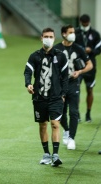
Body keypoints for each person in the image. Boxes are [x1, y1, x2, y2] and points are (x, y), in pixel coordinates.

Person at [24, 28, 68, 167]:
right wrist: (28, 84)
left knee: (55, 124)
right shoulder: (34, 56)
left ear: (54, 38)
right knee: (43, 125)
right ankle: (46, 154)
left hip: (55, 97)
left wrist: (63, 94)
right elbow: (27, 71)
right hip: (39, 97)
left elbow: (65, 77)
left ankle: (55, 155)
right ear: (41, 38)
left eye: (50, 36)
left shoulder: (61, 56)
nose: (48, 38)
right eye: (46, 36)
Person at [54, 25, 93, 150]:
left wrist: (80, 72)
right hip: (60, 84)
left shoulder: (78, 48)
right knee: (62, 111)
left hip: (73, 83)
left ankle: (71, 138)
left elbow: (90, 65)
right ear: (64, 34)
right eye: (71, 32)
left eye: (74, 32)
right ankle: (66, 130)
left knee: (74, 111)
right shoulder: (56, 49)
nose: (73, 34)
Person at [75, 14, 101, 122]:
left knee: (89, 89)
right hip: (77, 65)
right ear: (80, 22)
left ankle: (88, 114)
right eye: (83, 23)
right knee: (76, 90)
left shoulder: (95, 34)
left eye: (86, 23)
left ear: (89, 22)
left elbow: (99, 48)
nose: (85, 25)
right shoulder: (75, 33)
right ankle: (77, 114)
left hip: (90, 66)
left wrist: (92, 51)